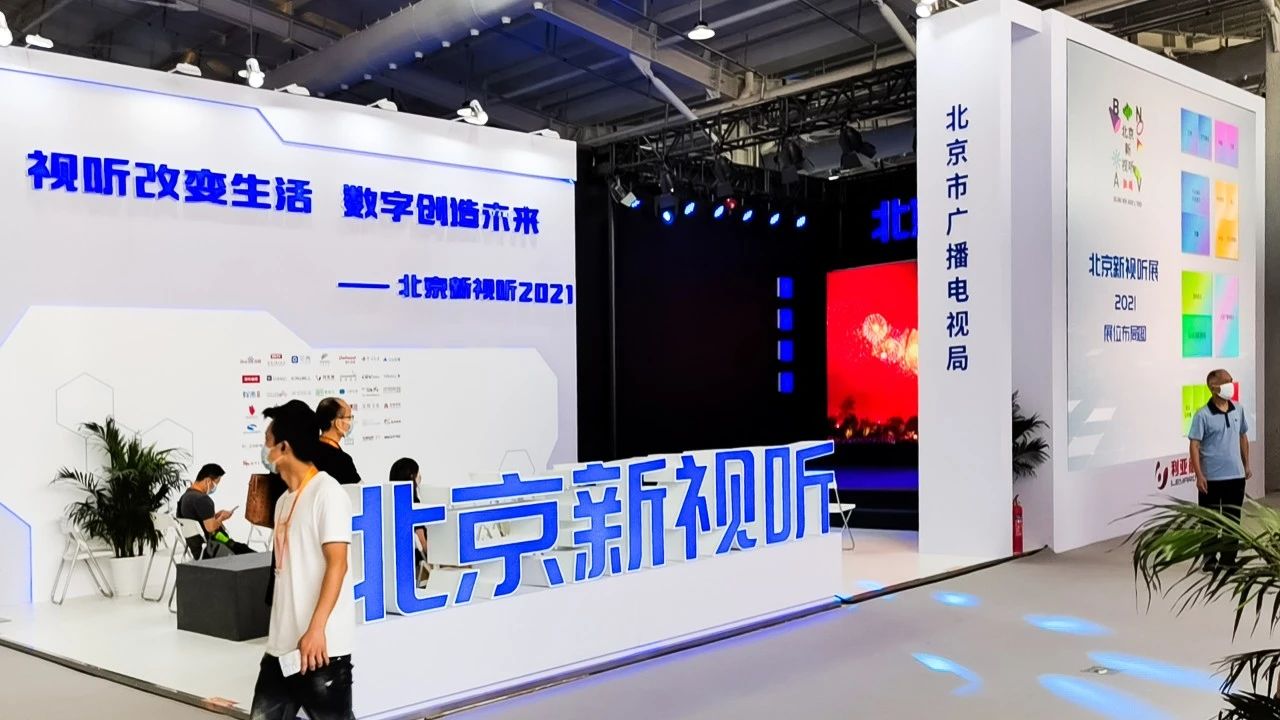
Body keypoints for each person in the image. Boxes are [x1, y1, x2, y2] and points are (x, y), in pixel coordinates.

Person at [249, 400, 355, 720]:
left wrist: (316, 628)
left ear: (284, 447)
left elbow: (337, 564)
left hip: (321, 650)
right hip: (281, 649)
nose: (265, 451)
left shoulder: (327, 493)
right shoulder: (284, 501)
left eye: (267, 442)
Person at [1188, 368, 1251, 571]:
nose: (1231, 385)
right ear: (1213, 387)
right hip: (1212, 478)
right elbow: (1194, 445)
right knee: (1210, 520)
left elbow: (1243, 436)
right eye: (1226, 381)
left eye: (1231, 380)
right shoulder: (1202, 415)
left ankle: (1228, 560)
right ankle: (1209, 559)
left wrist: (1246, 464)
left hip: (1236, 476)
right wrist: (1199, 475)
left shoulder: (1238, 409)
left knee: (1232, 520)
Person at [175, 463, 253, 559]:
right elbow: (211, 528)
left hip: (197, 549)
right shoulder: (203, 499)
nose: (215, 487)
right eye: (216, 483)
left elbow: (199, 521)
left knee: (242, 548)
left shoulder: (185, 497)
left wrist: (215, 516)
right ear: (208, 480)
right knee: (249, 553)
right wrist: (222, 517)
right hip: (212, 550)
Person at [389, 458, 428, 578]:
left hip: (398, 561)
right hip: (416, 562)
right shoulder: (413, 503)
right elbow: (421, 539)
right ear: (412, 476)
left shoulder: (390, 500)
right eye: (418, 473)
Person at [314, 397, 361, 485]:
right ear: (338, 423)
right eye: (349, 417)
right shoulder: (342, 460)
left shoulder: (307, 450)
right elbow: (358, 489)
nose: (351, 421)